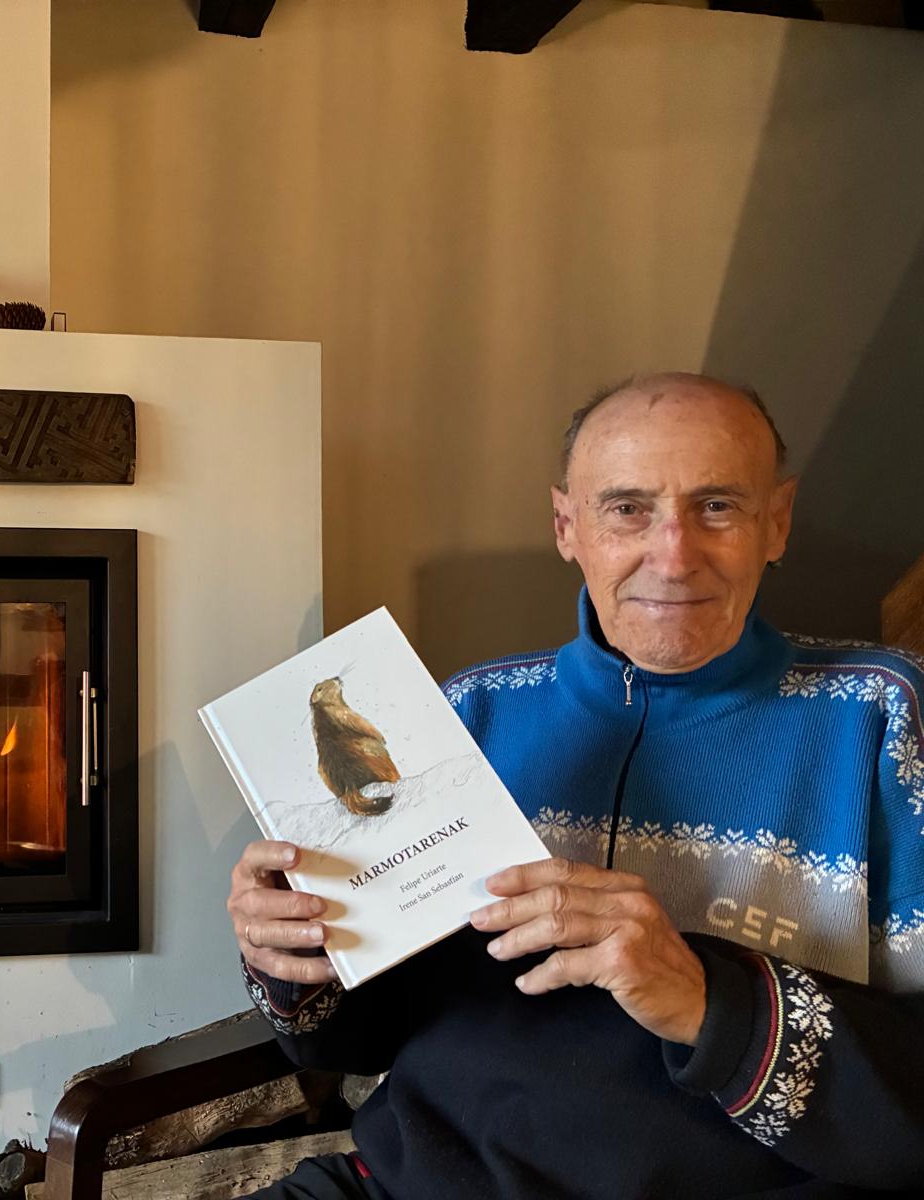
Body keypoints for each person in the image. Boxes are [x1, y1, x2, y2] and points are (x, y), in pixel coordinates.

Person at [228, 374, 924, 1199]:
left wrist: (709, 1000)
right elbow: (365, 1039)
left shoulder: (885, 718)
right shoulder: (471, 710)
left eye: (717, 506)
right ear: (568, 526)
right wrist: (296, 955)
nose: (674, 556)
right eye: (628, 508)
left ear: (776, 521)